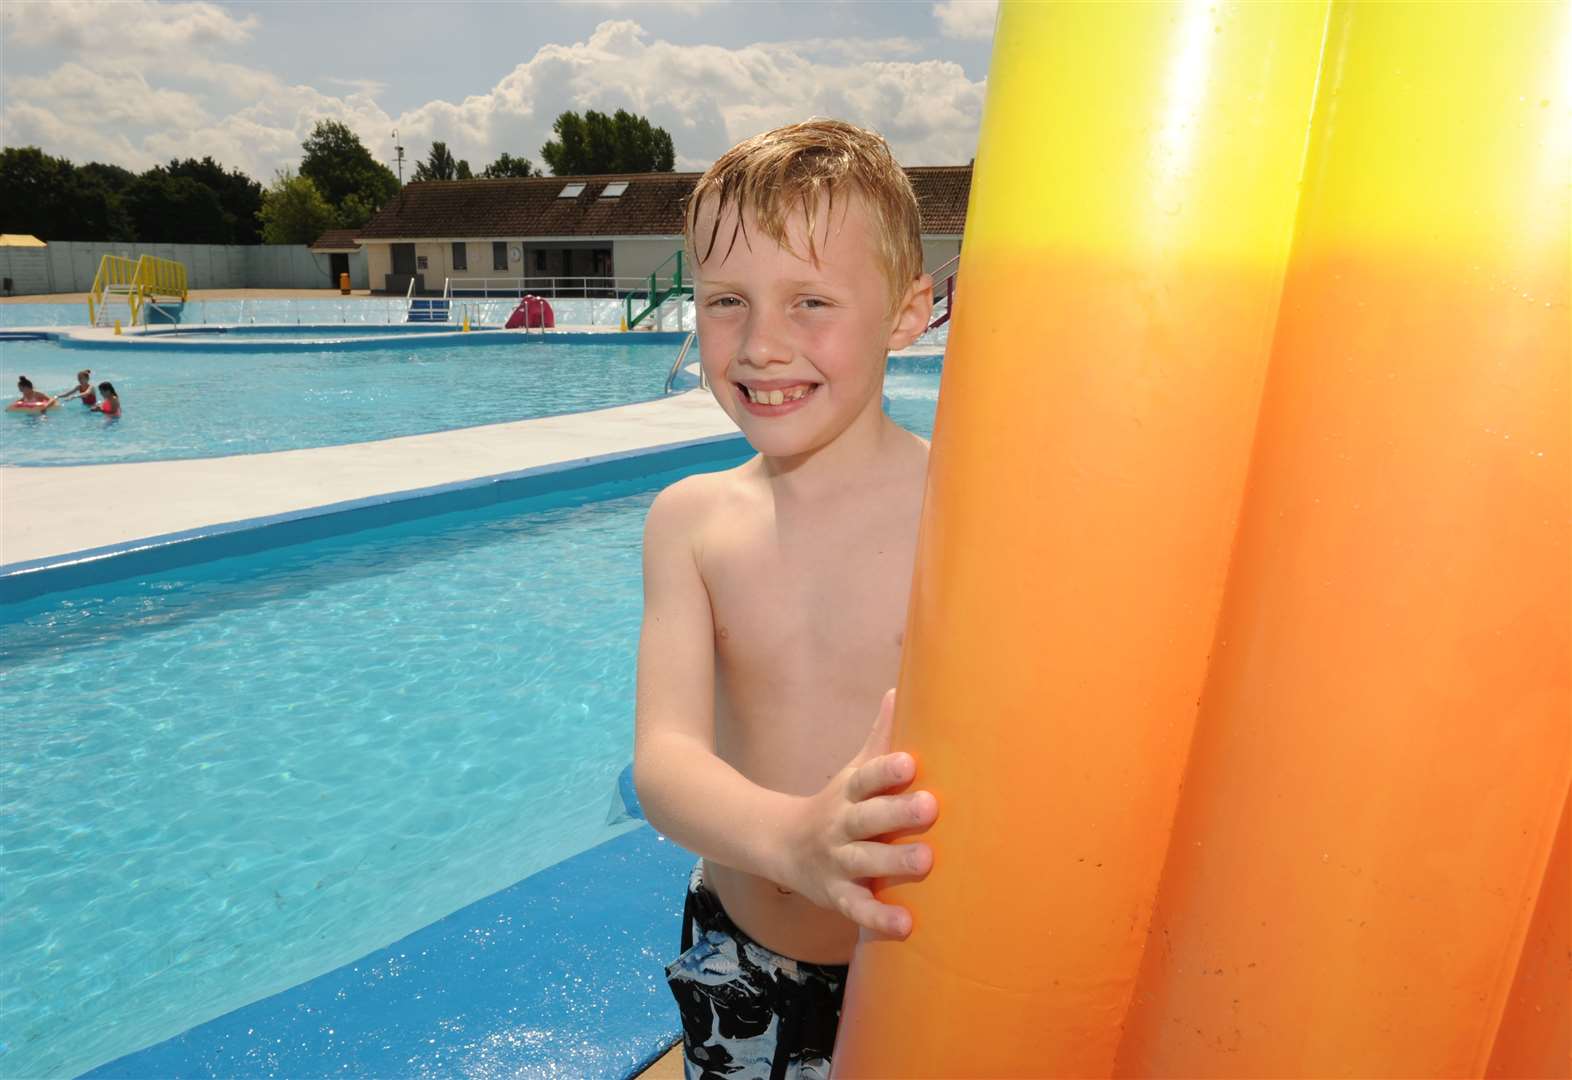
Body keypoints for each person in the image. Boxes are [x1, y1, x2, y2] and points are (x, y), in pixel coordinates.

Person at [634, 119, 939, 1079]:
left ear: (907, 312)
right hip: (746, 960)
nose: (763, 345)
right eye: (727, 300)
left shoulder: (968, 517)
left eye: (810, 300)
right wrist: (791, 843)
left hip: (930, 967)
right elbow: (667, 762)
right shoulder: (691, 522)